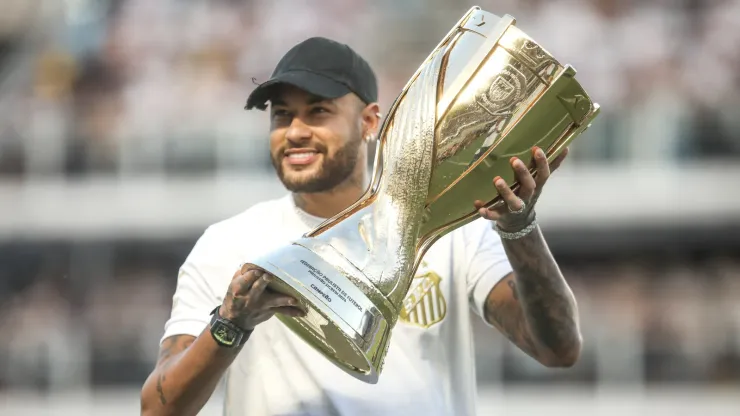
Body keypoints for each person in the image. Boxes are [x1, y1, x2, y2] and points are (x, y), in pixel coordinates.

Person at [140, 37, 582, 416]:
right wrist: (231, 324)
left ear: (370, 121)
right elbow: (158, 409)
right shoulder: (229, 244)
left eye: (317, 111)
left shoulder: (451, 228)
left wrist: (519, 228)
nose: (294, 131)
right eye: (281, 115)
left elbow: (557, 349)